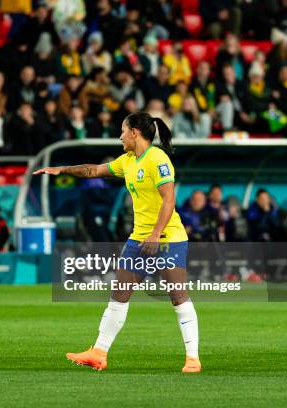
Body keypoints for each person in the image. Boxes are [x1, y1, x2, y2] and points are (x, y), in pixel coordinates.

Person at [34, 112, 201, 373]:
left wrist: (156, 234)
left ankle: (193, 359)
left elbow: (169, 199)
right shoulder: (128, 161)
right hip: (138, 239)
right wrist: (62, 169)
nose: (119, 136)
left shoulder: (157, 159)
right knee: (118, 296)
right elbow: (94, 170)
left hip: (167, 237)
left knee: (178, 296)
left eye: (122, 130)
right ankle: (98, 353)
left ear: (135, 132)